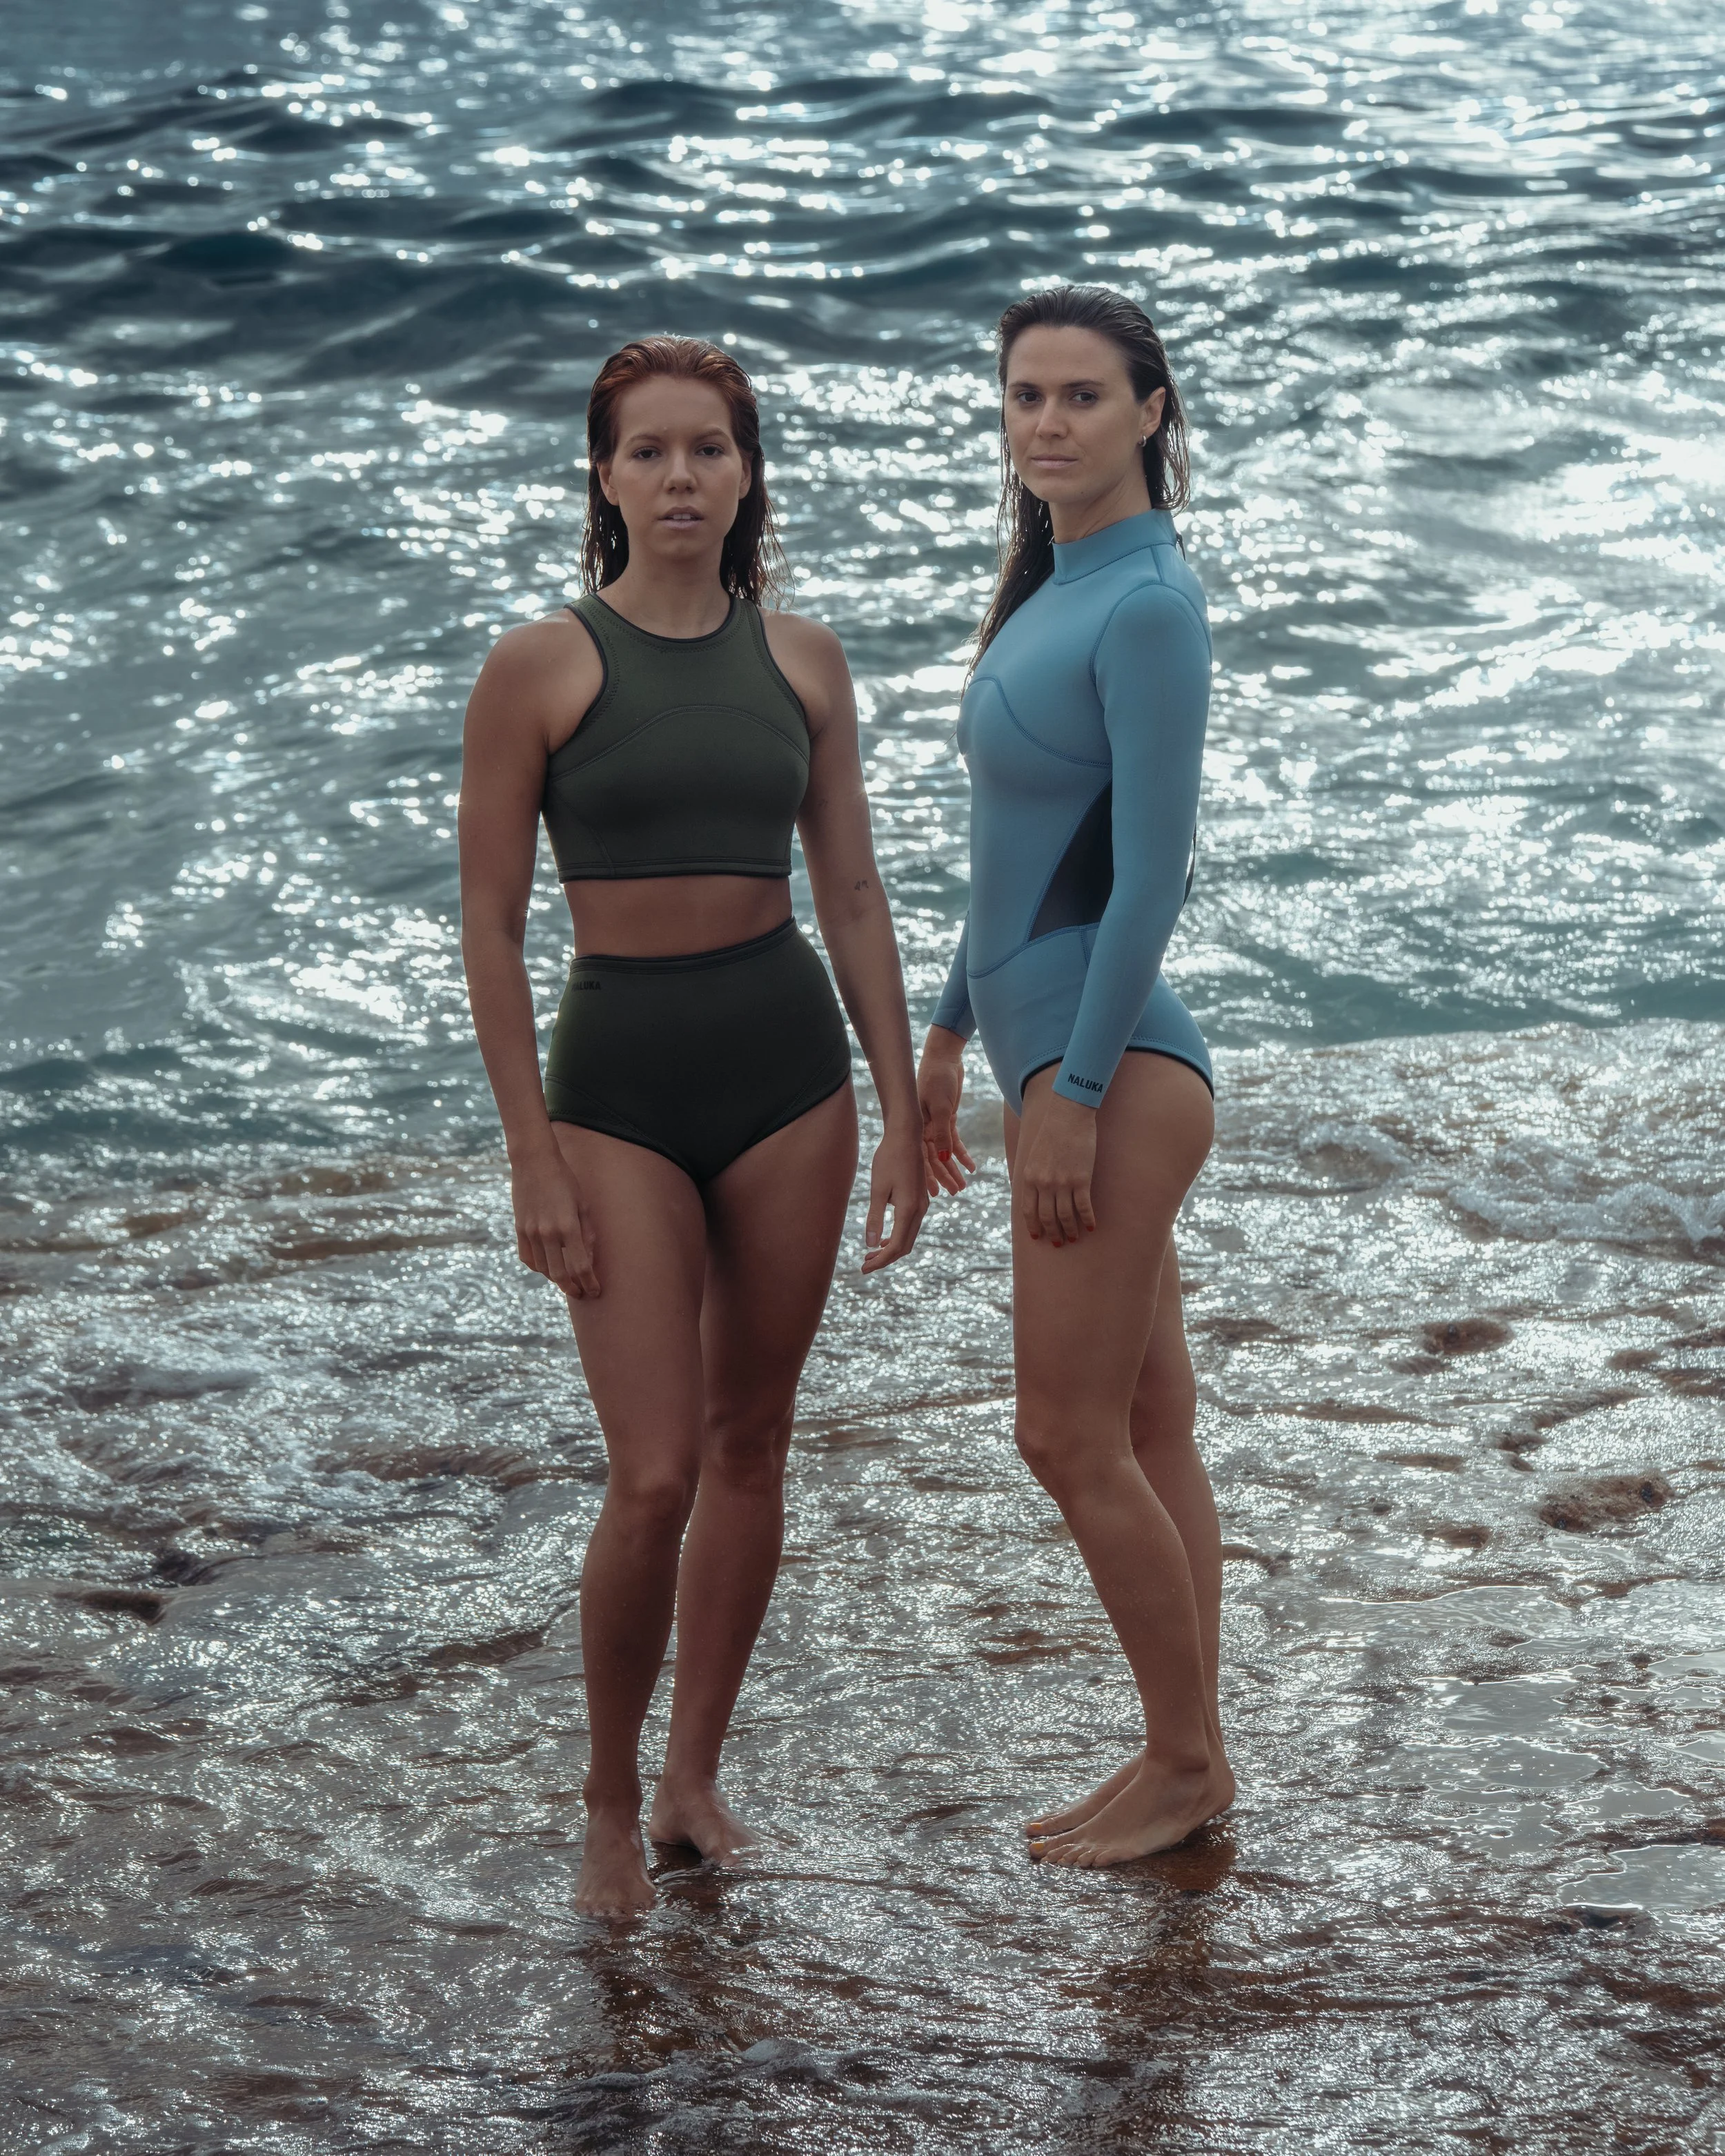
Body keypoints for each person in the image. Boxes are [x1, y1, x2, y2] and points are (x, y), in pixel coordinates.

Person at [460, 336, 927, 1917]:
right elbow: (486, 917)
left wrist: (905, 1099)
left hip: (787, 1075)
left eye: (707, 450)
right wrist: (528, 1148)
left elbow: (850, 891)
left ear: (746, 474)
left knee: (748, 1442)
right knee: (650, 1468)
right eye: (647, 451)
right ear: (602, 475)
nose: (679, 477)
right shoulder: (540, 664)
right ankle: (602, 1795)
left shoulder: (803, 658)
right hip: (619, 1088)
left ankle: (692, 1776)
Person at [918, 284, 1232, 1866]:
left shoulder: (1146, 605)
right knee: (1149, 1419)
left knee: (1063, 1435)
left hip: (1111, 1071)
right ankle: (1184, 1749)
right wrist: (947, 1026)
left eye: (1080, 398)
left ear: (1148, 412)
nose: (1045, 424)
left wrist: (1074, 1089)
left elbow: (1148, 876)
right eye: (1024, 397)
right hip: (1050, 1044)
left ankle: (1183, 1764)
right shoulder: (1052, 586)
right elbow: (1009, 867)